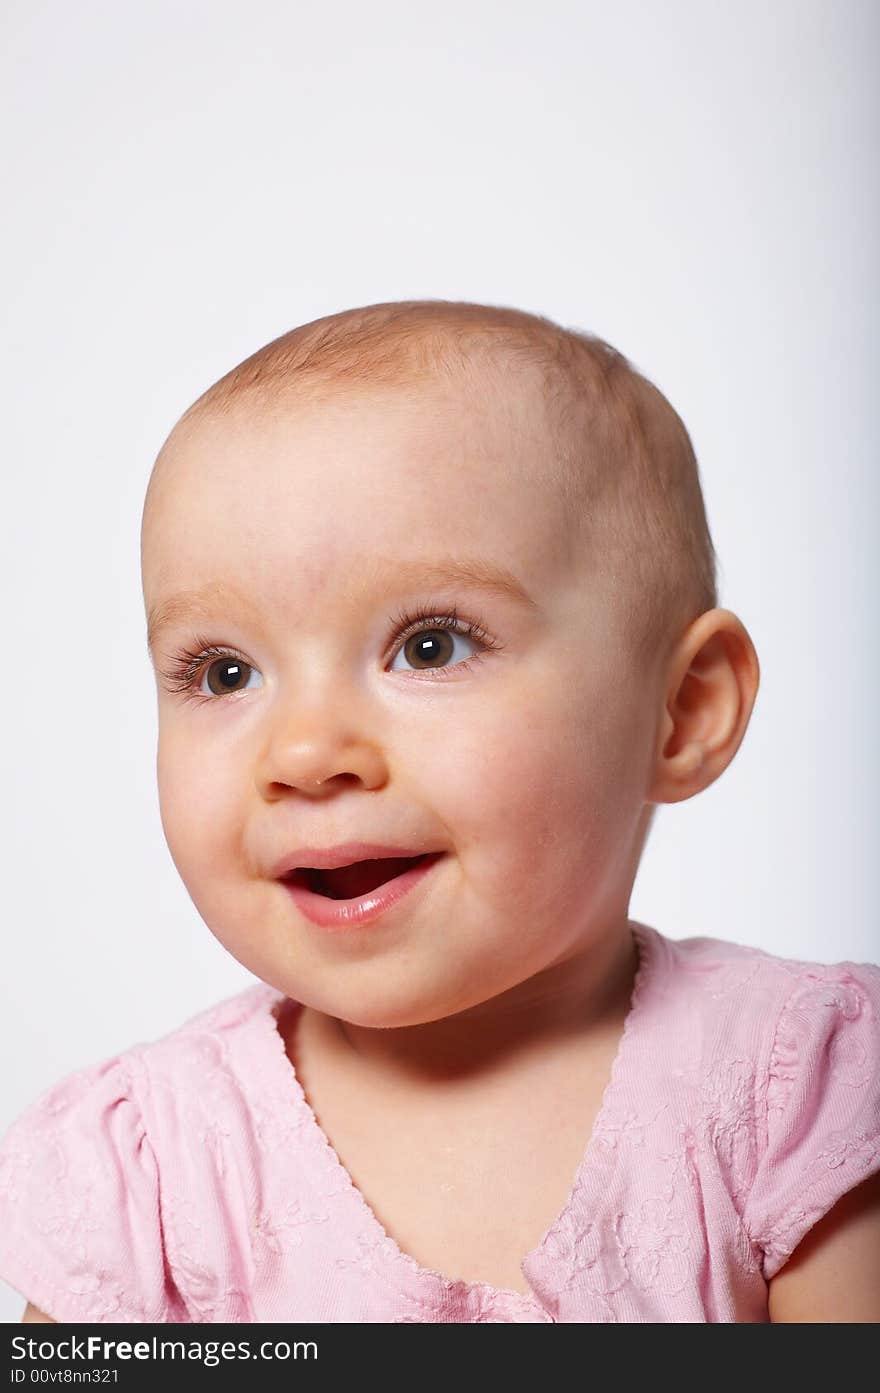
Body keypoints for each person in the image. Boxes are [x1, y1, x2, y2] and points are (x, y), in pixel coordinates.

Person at [1, 300, 877, 1325]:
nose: (305, 754)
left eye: (430, 646)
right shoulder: (145, 1179)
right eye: (224, 670)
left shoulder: (793, 1095)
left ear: (680, 710)